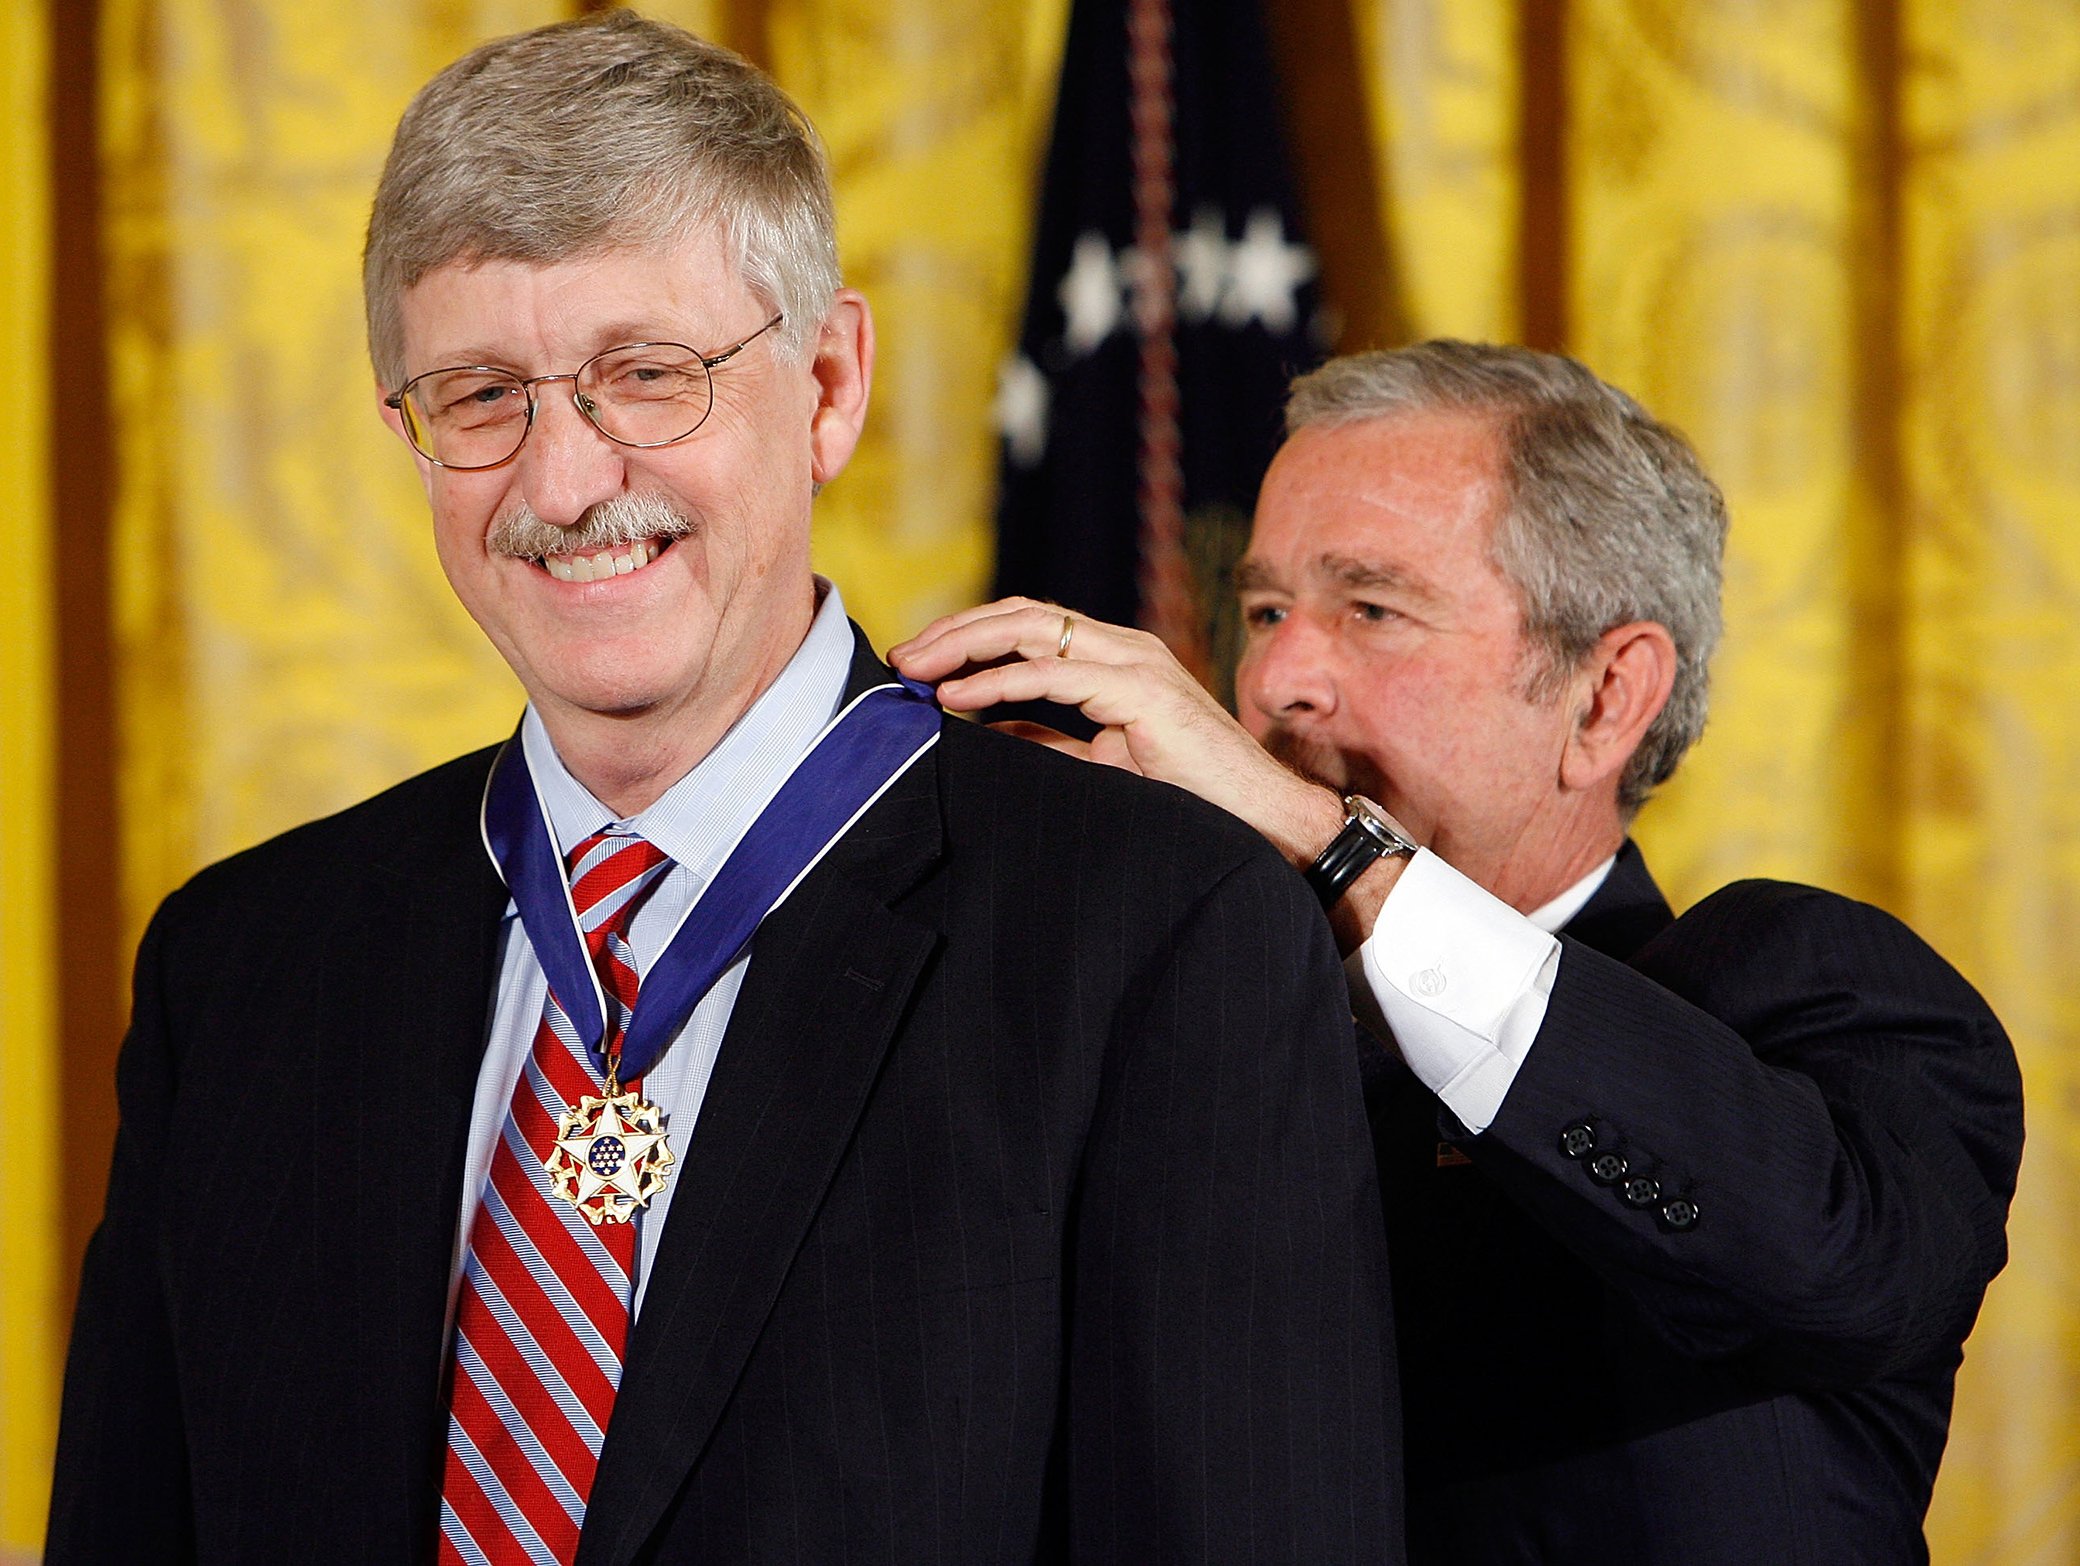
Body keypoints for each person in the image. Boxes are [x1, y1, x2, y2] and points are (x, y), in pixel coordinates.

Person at [46, 15, 1402, 1564]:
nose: (563, 485)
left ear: (827, 383)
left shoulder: (1154, 938)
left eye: (648, 374)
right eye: (482, 396)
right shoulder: (242, 965)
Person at [894, 341, 2024, 1563]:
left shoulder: (1810, 990)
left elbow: (1836, 1265)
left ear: (1604, 699)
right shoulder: (1155, 1034)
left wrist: (1336, 857)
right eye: (1264, 609)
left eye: (1371, 610)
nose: (1271, 682)